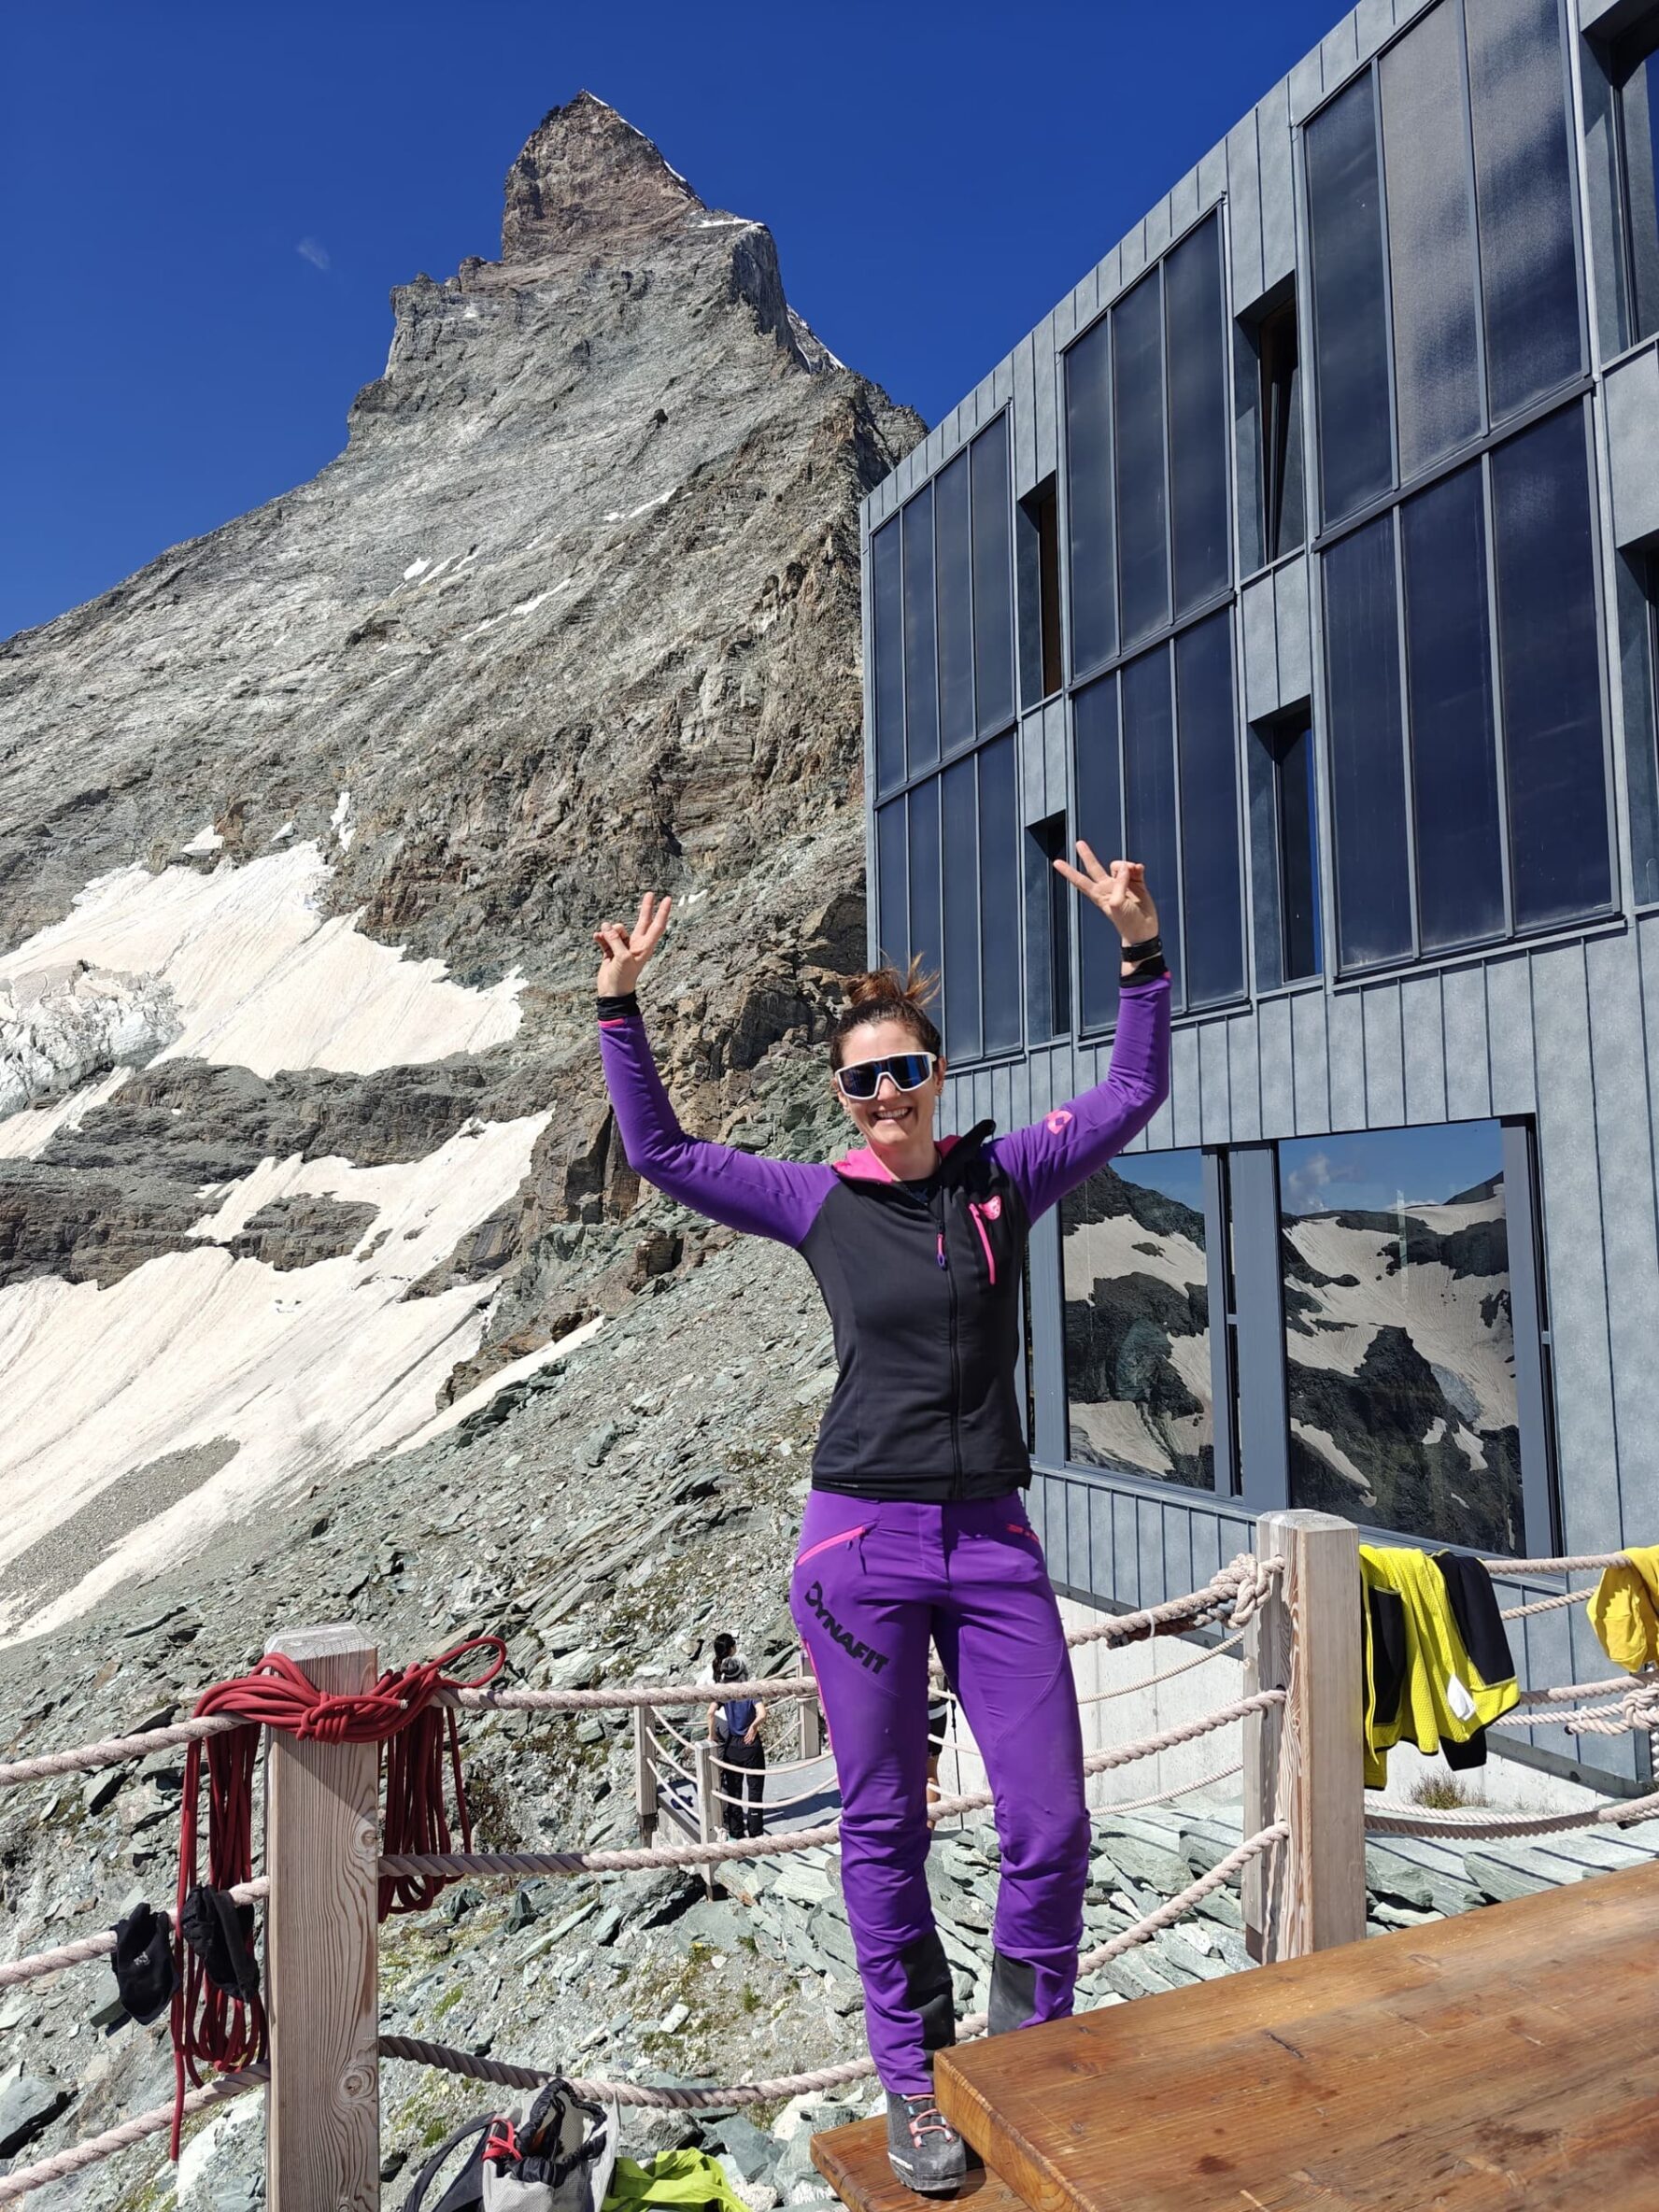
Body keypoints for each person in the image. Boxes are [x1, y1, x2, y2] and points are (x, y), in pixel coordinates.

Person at [594, 846, 1169, 2193]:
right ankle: (913, 2085)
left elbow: (1134, 1088)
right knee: (884, 1826)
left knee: (1049, 1825)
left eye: (905, 1070)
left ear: (937, 1078)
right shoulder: (816, 1199)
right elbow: (660, 1152)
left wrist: (1140, 951)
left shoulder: (1001, 1179)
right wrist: (621, 1008)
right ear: (844, 1100)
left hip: (994, 1546)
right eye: (862, 1080)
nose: (886, 1096)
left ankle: (1025, 2059)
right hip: (858, 1551)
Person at [708, 1655, 767, 1841]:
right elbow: (763, 1713)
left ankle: (736, 1832)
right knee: (755, 1791)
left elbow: (710, 1713)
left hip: (733, 1744)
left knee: (734, 1791)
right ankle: (756, 1833)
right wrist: (753, 1726)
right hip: (751, 1744)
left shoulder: (725, 1692)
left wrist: (712, 1735)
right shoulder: (750, 1690)